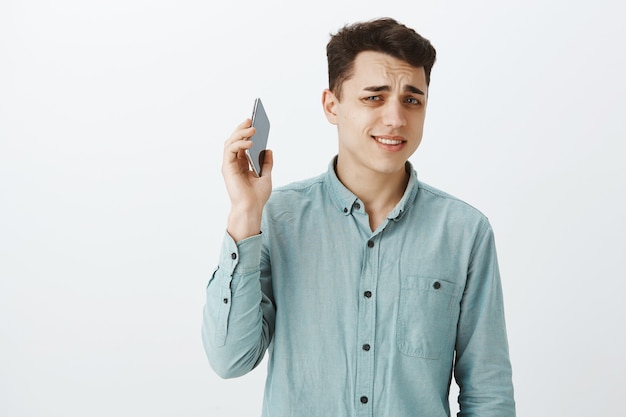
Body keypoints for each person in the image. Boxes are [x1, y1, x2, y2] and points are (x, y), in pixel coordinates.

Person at [202, 17, 516, 417]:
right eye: (374, 97)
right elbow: (230, 359)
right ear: (332, 106)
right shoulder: (277, 218)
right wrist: (246, 213)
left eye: (412, 100)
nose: (396, 118)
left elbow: (487, 392)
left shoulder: (464, 232)